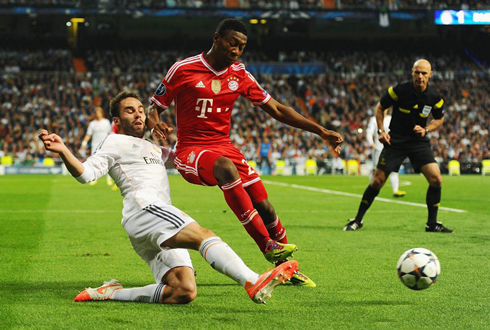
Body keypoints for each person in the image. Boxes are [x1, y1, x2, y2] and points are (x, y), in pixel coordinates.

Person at [38, 91, 299, 305]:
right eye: (130, 110)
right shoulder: (113, 142)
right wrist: (63, 150)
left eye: (141, 109)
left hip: (145, 224)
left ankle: (110, 292)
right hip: (146, 209)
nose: (138, 113)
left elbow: (187, 161)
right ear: (116, 120)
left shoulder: (155, 148)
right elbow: (86, 174)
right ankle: (253, 280)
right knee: (202, 235)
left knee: (183, 291)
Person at [148, 18, 343, 286]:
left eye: (242, 46)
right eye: (232, 43)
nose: (237, 51)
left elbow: (276, 109)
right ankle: (266, 244)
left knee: (265, 206)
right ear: (216, 39)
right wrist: (156, 125)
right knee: (226, 169)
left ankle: (287, 268)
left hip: (224, 147)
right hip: (191, 150)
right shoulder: (183, 69)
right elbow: (154, 107)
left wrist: (319, 130)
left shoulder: (239, 74)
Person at [345, 59, 453, 233]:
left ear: (430, 75)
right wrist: (381, 130)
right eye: (417, 72)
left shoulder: (434, 97)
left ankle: (431, 224)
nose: (420, 76)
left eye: (424, 73)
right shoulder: (399, 90)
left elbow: (440, 118)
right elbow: (380, 107)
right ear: (412, 72)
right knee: (378, 180)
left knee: (436, 179)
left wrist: (426, 129)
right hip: (396, 141)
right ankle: (357, 220)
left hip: (418, 141)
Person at [365, 109, 406, 197]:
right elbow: (369, 132)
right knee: (375, 170)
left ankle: (396, 190)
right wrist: (371, 142)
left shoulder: (391, 118)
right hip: (378, 148)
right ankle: (371, 189)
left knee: (394, 170)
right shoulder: (374, 119)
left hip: (391, 148)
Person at [80, 107, 112, 186]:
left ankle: (109, 179)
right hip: (95, 146)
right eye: (96, 113)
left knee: (108, 162)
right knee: (94, 163)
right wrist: (84, 143)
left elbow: (109, 133)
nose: (97, 114)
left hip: (105, 145)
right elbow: (88, 135)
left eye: (98, 112)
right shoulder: (92, 124)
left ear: (101, 113)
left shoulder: (106, 122)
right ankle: (94, 179)